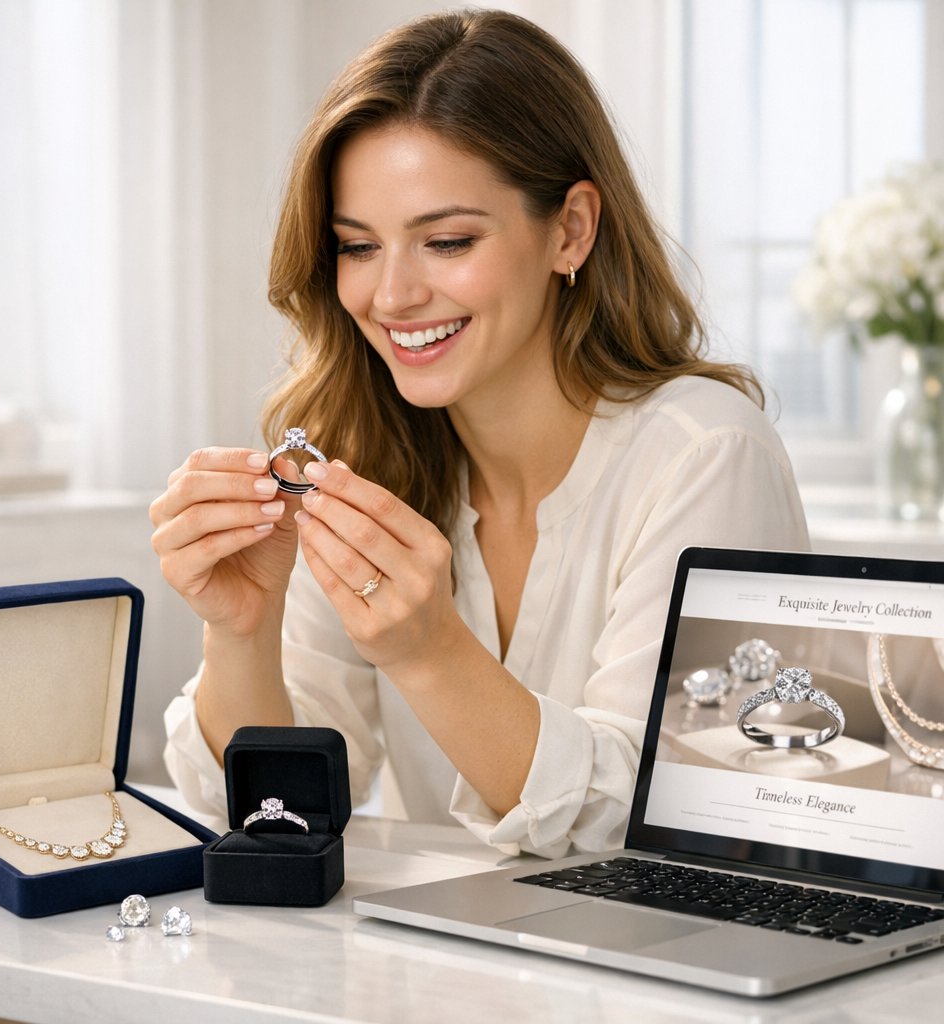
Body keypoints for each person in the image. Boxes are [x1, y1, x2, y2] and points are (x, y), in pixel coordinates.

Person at [149, 8, 810, 857]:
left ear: (570, 228)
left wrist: (430, 654)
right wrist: (241, 627)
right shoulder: (358, 457)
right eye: (357, 247)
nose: (390, 297)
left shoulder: (706, 454)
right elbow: (277, 811)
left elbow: (665, 821)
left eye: (448, 240)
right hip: (439, 976)